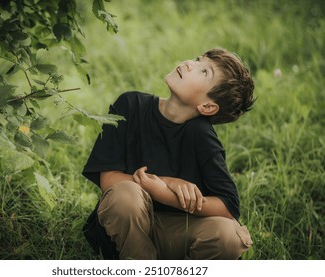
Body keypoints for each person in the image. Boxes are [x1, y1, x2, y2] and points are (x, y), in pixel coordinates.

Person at [82, 48, 255, 260]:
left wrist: (168, 196)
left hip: (175, 234)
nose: (191, 64)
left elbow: (228, 207)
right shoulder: (129, 105)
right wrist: (166, 183)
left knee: (230, 235)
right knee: (124, 195)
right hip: (124, 229)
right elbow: (109, 179)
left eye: (204, 72)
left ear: (207, 106)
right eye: (197, 59)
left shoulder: (202, 137)